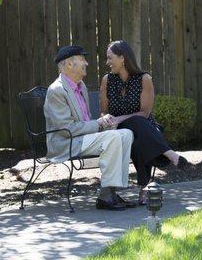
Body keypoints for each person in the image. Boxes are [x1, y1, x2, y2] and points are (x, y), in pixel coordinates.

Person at [44, 44, 135, 211]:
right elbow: (67, 129)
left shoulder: (81, 86)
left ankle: (111, 192)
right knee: (114, 137)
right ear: (69, 64)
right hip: (66, 143)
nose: (86, 63)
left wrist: (103, 124)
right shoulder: (57, 90)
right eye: (82, 60)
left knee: (126, 134)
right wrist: (99, 124)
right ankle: (106, 196)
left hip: (81, 139)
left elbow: (85, 121)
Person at [100, 40, 189, 205]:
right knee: (135, 130)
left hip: (143, 127)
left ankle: (144, 186)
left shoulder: (144, 79)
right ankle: (168, 155)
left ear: (122, 58)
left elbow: (145, 113)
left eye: (110, 58)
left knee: (138, 131)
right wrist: (109, 120)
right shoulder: (107, 80)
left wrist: (120, 117)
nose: (107, 62)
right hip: (117, 130)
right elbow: (104, 111)